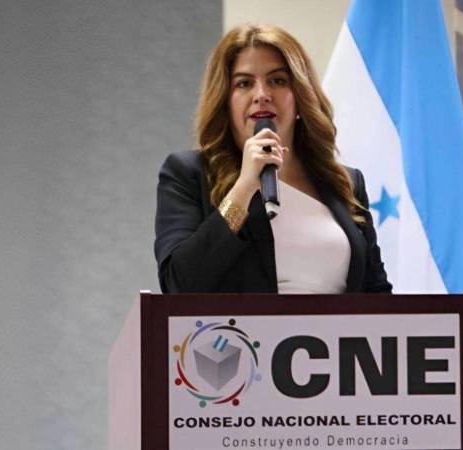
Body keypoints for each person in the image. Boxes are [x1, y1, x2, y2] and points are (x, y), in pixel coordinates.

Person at [154, 24, 392, 295]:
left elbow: (377, 293)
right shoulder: (189, 173)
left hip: (339, 325)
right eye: (244, 83)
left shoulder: (345, 182)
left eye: (277, 81)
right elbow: (179, 285)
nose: (262, 95)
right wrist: (244, 187)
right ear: (225, 101)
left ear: (300, 96)